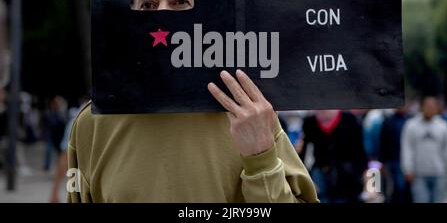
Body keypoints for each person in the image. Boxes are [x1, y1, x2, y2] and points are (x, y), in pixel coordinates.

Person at [67, 70, 318, 202]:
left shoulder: (252, 114)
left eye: (179, 1)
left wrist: (261, 161)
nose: (163, 12)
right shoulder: (92, 122)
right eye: (148, 3)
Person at [300, 110, 367, 203]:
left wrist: (363, 176)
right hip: (320, 172)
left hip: (346, 177)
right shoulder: (309, 122)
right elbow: (305, 152)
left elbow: (359, 152)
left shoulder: (349, 120)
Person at [401, 96, 447, 203]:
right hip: (418, 174)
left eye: (433, 106)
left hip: (440, 174)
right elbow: (407, 148)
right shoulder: (411, 125)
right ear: (421, 107)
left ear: (437, 108)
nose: (430, 109)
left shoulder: (444, 126)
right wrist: (408, 169)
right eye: (427, 106)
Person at [379, 106, 411, 203]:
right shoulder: (389, 121)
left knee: (406, 188)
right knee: (397, 186)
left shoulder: (410, 121)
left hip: (408, 159)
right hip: (394, 159)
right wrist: (383, 161)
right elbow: (383, 142)